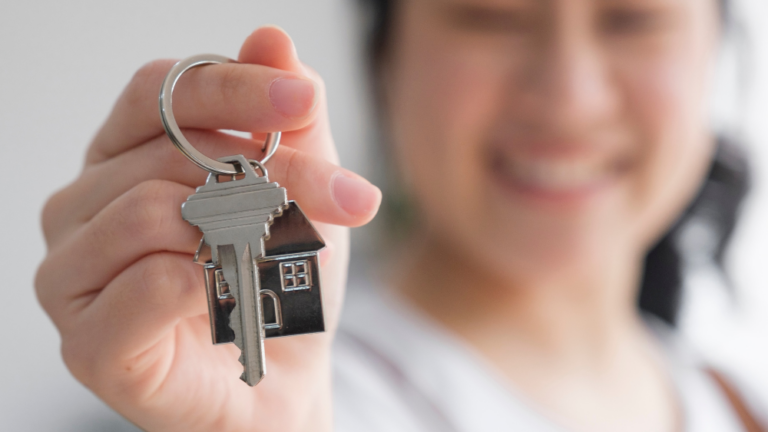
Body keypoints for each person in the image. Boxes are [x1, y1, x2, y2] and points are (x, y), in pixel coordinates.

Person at [35, 0, 762, 431]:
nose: (569, 97)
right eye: (492, 14)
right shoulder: (257, 396)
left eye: (632, 19)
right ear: (386, 63)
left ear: (717, 57)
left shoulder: (734, 401)